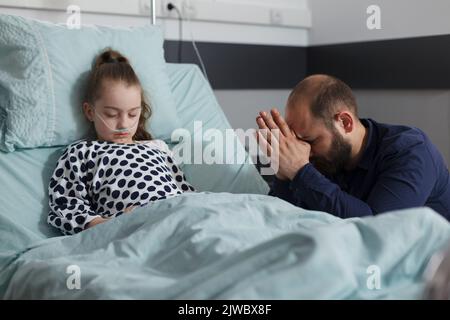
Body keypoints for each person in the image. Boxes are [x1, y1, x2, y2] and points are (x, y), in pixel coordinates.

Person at [256, 74, 450, 220]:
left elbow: (376, 227)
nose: (304, 150)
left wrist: (300, 170)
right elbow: (292, 217)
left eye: (310, 140)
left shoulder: (410, 151)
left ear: (345, 123)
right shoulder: (325, 158)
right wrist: (283, 173)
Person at [47, 49, 195, 235]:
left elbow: (186, 192)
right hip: (134, 229)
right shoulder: (82, 152)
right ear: (90, 112)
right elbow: (66, 205)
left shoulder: (158, 148)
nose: (124, 124)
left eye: (133, 114)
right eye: (111, 114)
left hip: (180, 217)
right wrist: (110, 224)